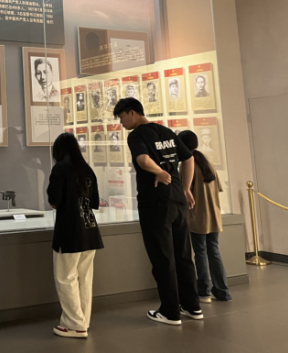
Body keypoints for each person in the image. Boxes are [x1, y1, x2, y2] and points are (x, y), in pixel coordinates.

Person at [113, 97, 202, 326]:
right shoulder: (166, 131)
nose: (121, 123)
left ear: (132, 113)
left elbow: (143, 159)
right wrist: (185, 188)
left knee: (163, 258)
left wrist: (159, 172)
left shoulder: (137, 135)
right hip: (178, 200)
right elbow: (189, 158)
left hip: (156, 202)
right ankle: (192, 306)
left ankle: (170, 311)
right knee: (184, 255)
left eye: (122, 117)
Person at [47, 133, 103, 339]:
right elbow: (95, 202)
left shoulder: (60, 169)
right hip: (90, 231)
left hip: (69, 232)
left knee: (65, 278)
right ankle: (83, 321)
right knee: (84, 278)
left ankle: (73, 324)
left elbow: (54, 201)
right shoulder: (87, 169)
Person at [179, 130, 232, 303]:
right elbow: (219, 188)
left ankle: (204, 292)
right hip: (214, 216)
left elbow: (182, 192)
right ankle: (223, 291)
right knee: (214, 251)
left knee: (200, 253)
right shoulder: (208, 163)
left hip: (197, 217)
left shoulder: (187, 165)